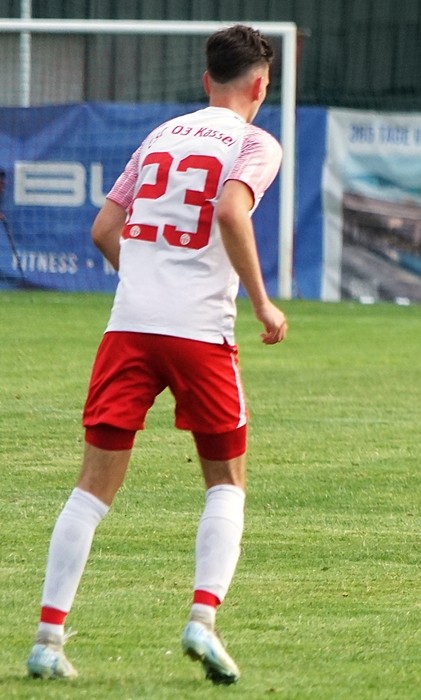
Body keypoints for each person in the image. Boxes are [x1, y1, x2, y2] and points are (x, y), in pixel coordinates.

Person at [26, 24, 287, 684]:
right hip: (199, 334)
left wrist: (145, 279)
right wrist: (262, 302)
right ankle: (202, 620)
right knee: (226, 482)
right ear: (261, 86)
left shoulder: (161, 136)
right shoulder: (255, 143)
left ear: (206, 79)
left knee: (92, 488)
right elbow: (231, 212)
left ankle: (48, 638)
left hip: (130, 328)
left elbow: (103, 229)